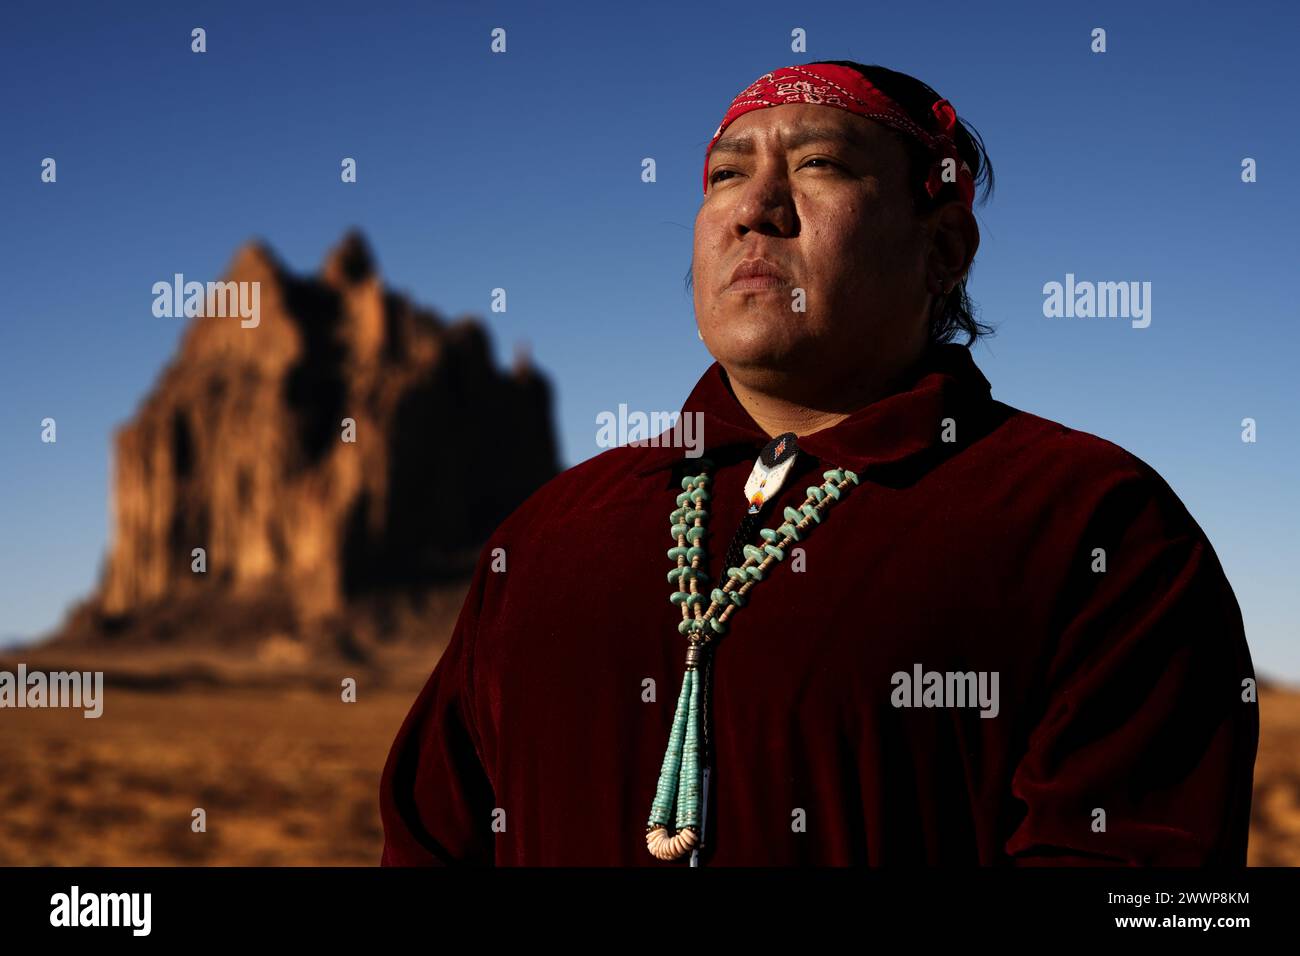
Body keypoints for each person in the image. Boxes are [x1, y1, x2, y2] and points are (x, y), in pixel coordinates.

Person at [378, 61, 1258, 866]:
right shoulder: (548, 534)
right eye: (726, 172)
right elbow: (429, 841)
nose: (754, 205)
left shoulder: (1093, 521)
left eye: (819, 165)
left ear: (943, 249)